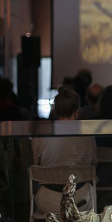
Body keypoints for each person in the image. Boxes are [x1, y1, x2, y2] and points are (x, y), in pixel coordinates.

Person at [32, 86, 97, 214]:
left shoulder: (42, 133)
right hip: (80, 201)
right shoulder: (86, 135)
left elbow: (35, 162)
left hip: (48, 202)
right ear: (77, 112)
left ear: (55, 110)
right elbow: (93, 162)